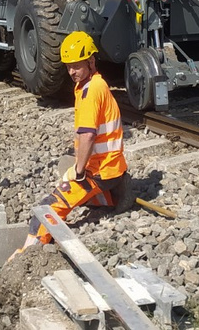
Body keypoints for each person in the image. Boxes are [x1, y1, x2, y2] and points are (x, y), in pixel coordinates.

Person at [17, 31, 130, 253]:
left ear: (91, 61)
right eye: (68, 66)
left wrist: (78, 171)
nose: (71, 72)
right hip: (111, 166)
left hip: (98, 171)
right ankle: (114, 193)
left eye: (76, 66)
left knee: (46, 209)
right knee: (76, 191)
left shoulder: (91, 92)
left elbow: (87, 135)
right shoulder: (95, 84)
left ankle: (28, 254)